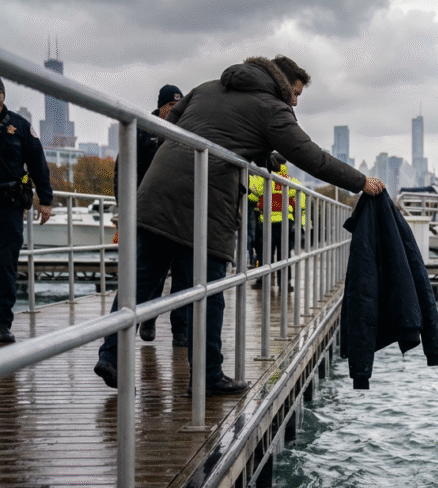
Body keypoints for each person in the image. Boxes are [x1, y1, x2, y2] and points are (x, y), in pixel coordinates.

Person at [93, 55, 384, 394]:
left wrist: (255, 154)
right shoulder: (272, 109)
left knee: (140, 279)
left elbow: (180, 123)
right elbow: (311, 156)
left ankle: (110, 355)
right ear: (281, 83)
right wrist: (361, 181)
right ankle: (207, 377)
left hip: (157, 191)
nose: (295, 101)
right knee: (209, 292)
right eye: (296, 92)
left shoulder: (205, 89)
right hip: (206, 203)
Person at [113, 84, 189, 347]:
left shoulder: (185, 131)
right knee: (150, 270)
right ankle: (148, 318)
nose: (172, 112)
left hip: (178, 212)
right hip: (147, 211)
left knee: (183, 273)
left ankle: (181, 329)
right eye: (169, 107)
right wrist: (124, 208)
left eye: (177, 108)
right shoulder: (142, 130)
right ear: (160, 107)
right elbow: (123, 171)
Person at [0, 77, 54, 345]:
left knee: (6, 265)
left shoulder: (19, 127)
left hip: (8, 206)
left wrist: (45, 199)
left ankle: (2, 324)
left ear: (2, 96)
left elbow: (37, 163)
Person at [248, 152, 305, 289]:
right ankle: (285, 284)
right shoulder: (292, 182)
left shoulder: (263, 179)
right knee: (284, 255)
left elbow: (252, 198)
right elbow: (301, 204)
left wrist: (256, 209)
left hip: (267, 224)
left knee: (264, 254)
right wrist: (301, 225)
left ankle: (262, 281)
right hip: (286, 224)